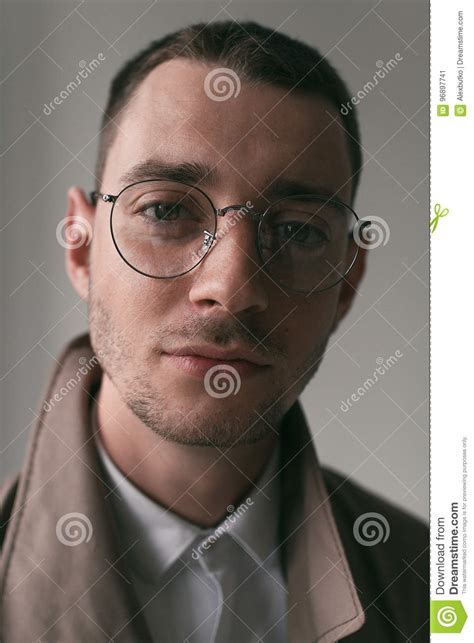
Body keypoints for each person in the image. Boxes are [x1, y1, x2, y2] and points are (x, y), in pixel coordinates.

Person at [0, 20, 428, 642]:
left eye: (298, 230)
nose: (231, 288)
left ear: (347, 281)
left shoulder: (434, 594)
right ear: (80, 247)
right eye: (167, 210)